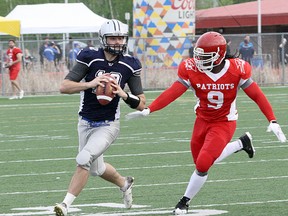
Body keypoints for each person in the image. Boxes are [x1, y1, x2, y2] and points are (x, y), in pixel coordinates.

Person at [126, 31, 286, 215]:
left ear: (219, 56)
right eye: (198, 55)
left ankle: (183, 202)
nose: (199, 60)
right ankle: (241, 143)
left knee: (203, 164)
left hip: (224, 122)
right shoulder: (192, 68)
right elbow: (174, 91)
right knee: (201, 161)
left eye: (205, 57)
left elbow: (257, 95)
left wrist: (272, 119)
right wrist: (149, 109)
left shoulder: (237, 69)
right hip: (202, 119)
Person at [54, 19, 146, 216]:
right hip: (85, 122)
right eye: (113, 38)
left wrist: (124, 94)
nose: (117, 42)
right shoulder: (90, 58)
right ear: (103, 39)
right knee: (97, 168)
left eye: (121, 38)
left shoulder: (130, 64)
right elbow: (64, 87)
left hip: (108, 125)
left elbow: (141, 103)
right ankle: (124, 183)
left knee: (84, 159)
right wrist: (90, 83)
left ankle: (65, 204)